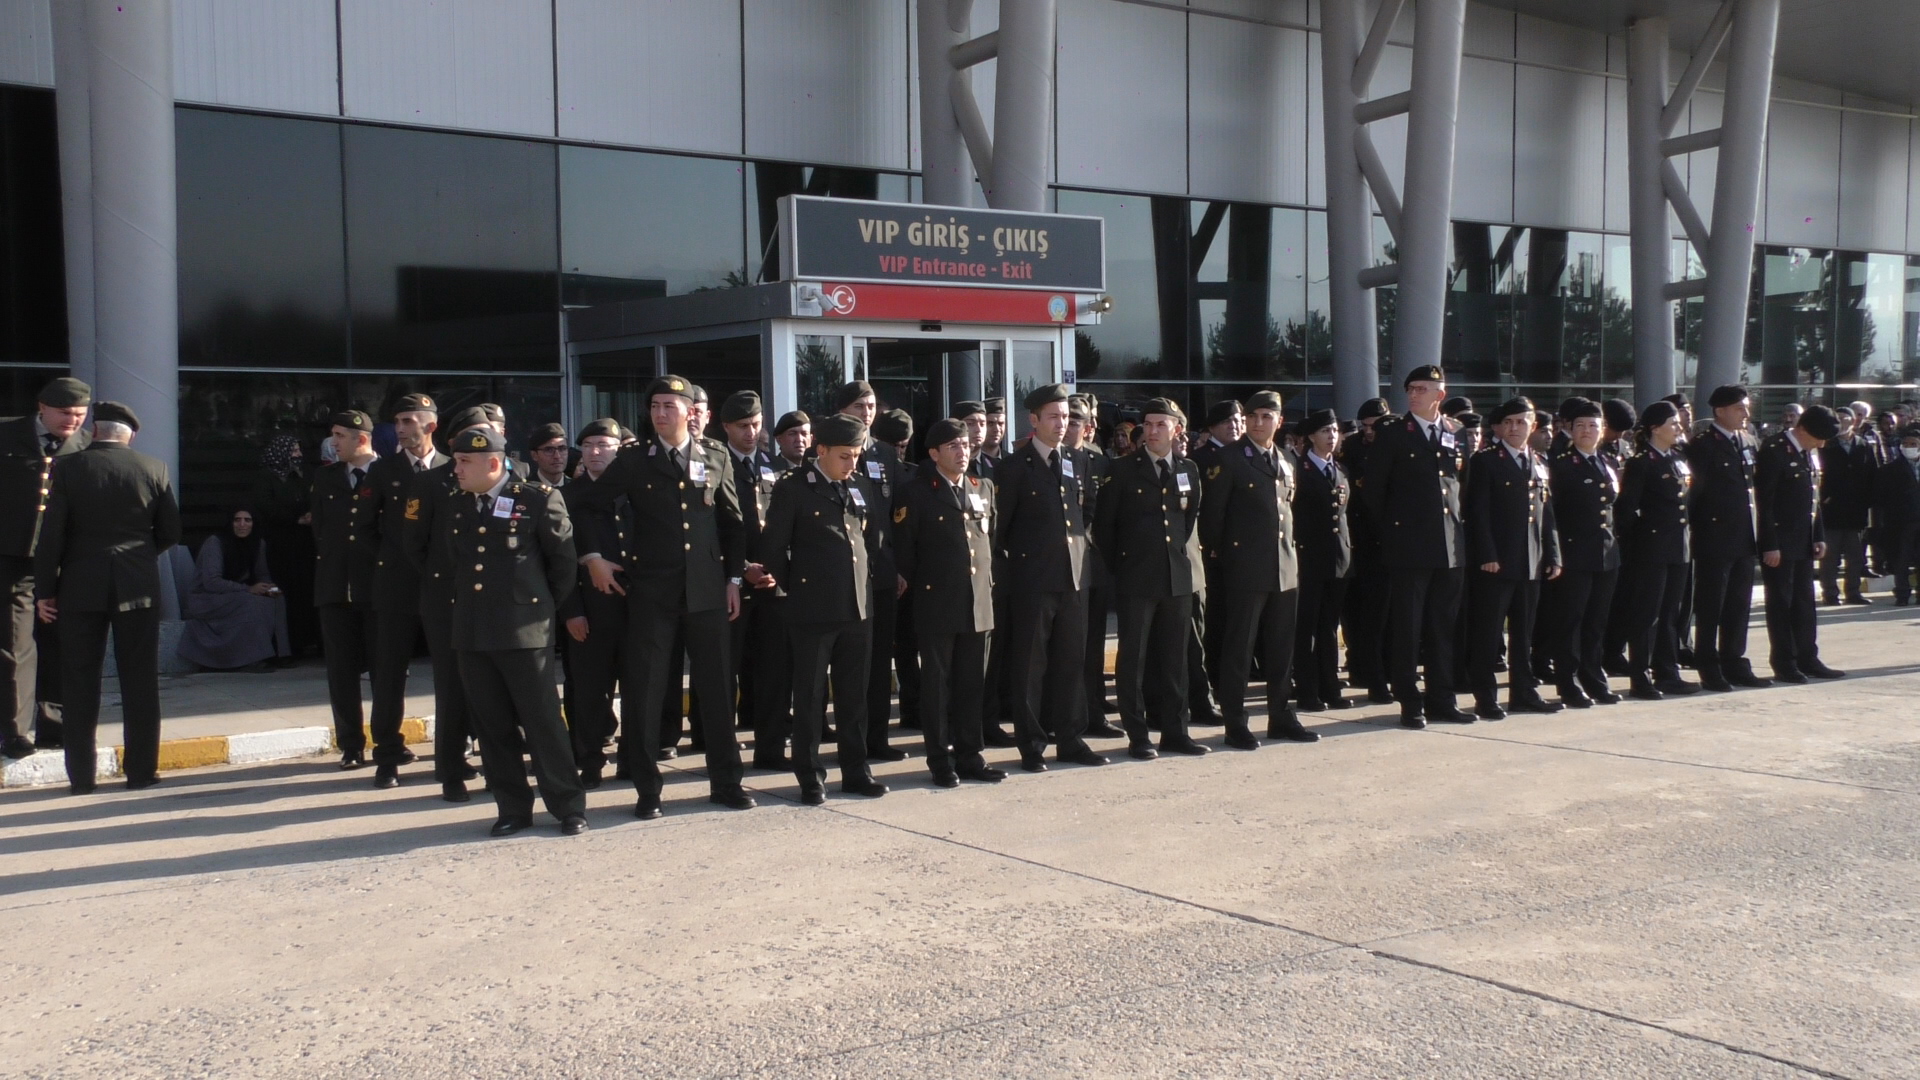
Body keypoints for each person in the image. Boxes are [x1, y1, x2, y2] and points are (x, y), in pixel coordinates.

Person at [575, 375, 755, 818]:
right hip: (652, 591)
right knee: (648, 690)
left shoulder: (714, 456)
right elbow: (588, 505)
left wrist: (733, 580)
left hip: (708, 591)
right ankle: (647, 790)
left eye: (669, 406)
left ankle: (726, 783)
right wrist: (595, 556)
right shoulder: (636, 460)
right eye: (655, 405)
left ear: (691, 411)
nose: (660, 413)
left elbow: (733, 523)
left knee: (715, 690)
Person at [441, 426, 587, 837]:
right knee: (492, 726)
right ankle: (513, 808)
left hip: (524, 633)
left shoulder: (536, 500)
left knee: (543, 723)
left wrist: (538, 613)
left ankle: (568, 805)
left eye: (464, 462)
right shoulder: (459, 505)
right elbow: (456, 564)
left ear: (493, 463)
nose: (457, 469)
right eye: (455, 461)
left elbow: (563, 564)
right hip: (472, 632)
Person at [33, 402, 180, 793]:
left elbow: (51, 536)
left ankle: (82, 777)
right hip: (138, 586)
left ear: (94, 432)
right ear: (129, 435)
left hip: (80, 587)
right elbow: (170, 530)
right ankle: (142, 772)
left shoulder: (68, 468)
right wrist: (140, 556)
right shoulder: (154, 469)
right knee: (140, 679)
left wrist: (45, 590)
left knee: (80, 681)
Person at [755, 413, 890, 803]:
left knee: (853, 697)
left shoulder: (860, 485)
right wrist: (798, 590)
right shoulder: (794, 488)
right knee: (811, 698)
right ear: (822, 451)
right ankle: (811, 776)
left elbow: (872, 540)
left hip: (857, 608)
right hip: (812, 610)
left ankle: (855, 771)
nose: (853, 463)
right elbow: (773, 549)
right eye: (845, 456)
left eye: (857, 455)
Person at [1200, 390, 1322, 748]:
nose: (1257, 422)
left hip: (1284, 566)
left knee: (1282, 648)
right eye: (1252, 416)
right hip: (1244, 568)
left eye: (1266, 416)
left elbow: (1288, 514)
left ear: (1279, 421)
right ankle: (1236, 722)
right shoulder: (1229, 459)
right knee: (1239, 648)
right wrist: (1224, 564)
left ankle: (1281, 716)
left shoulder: (1286, 459)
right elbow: (1213, 521)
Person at [996, 383, 1107, 772]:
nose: (1062, 424)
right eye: (1054, 417)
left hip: (1075, 576)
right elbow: (1001, 527)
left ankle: (1072, 739)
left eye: (1066, 417)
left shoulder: (1077, 461)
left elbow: (1085, 512)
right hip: (1033, 578)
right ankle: (1032, 744)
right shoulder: (1013, 467)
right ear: (1033, 421)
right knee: (1031, 665)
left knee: (1071, 661)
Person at [893, 418, 1004, 786]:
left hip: (978, 603)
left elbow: (990, 541)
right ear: (934, 453)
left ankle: (971, 755)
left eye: (965, 445)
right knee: (937, 688)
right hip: (937, 602)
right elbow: (905, 552)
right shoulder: (917, 492)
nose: (963, 451)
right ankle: (940, 758)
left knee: (972, 685)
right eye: (953, 446)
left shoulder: (982, 486)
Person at [1098, 398, 1209, 759]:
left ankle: (1176, 731)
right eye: (1148, 424)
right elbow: (1106, 528)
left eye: (1161, 424)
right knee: (1134, 660)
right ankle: (1138, 735)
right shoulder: (1122, 470)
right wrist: (1127, 566)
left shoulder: (1188, 469)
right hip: (1137, 577)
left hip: (1177, 577)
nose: (1153, 431)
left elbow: (1188, 521)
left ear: (1178, 429)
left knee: (1176, 659)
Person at [1362, 365, 1473, 728]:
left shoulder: (1456, 433)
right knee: (1408, 629)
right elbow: (1375, 491)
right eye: (1410, 388)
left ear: (1440, 394)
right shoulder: (1394, 433)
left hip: (1449, 547)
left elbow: (1461, 488)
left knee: (1443, 628)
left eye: (1422, 389)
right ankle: (1410, 702)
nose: (1413, 394)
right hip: (1409, 545)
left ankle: (1443, 698)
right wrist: (1394, 533)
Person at [401, 405, 494, 803]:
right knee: (453, 686)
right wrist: (448, 580)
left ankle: (498, 766)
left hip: (495, 599)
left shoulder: (512, 477)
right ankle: (452, 770)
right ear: (453, 441)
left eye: (487, 433)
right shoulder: (431, 483)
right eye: (473, 434)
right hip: (446, 600)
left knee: (495, 688)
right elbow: (413, 545)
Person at [0, 376, 91, 758]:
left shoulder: (87, 446)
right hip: (11, 555)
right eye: (65, 413)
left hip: (61, 560)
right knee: (14, 643)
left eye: (79, 415)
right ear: (43, 407)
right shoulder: (8, 435)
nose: (72, 421)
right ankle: (15, 730)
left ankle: (56, 726)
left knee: (60, 641)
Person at [1464, 397, 1563, 719]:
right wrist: (1487, 554)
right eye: (1509, 422)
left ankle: (1524, 692)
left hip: (1530, 560)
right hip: (1498, 561)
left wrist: (1553, 554)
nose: (1515, 427)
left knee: (1524, 633)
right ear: (1500, 427)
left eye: (1521, 422)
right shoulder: (1485, 461)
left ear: (1532, 426)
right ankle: (1485, 696)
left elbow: (1546, 513)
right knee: (1489, 633)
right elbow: (1477, 513)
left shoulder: (1537, 462)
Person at [361, 393, 441, 788]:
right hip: (395, 588)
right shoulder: (382, 471)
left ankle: (452, 749)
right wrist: (391, 561)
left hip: (441, 587)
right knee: (390, 673)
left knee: (451, 671)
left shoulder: (450, 467)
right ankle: (388, 755)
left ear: (430, 425)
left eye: (410, 420)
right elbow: (364, 529)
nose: (402, 428)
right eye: (398, 422)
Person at [559, 418, 631, 788]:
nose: (595, 452)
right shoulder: (567, 497)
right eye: (587, 446)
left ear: (619, 450)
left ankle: (632, 758)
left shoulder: (636, 490)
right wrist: (572, 610)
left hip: (636, 610)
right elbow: (558, 562)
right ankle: (589, 760)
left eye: (603, 445)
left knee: (638, 688)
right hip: (589, 609)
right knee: (588, 691)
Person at [311, 410, 382, 769]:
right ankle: (351, 744)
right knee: (341, 671)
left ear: (361, 439)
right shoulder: (325, 478)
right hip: (335, 586)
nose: (333, 442)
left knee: (385, 670)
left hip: (377, 588)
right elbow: (320, 530)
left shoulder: (387, 475)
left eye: (340, 436)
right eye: (333, 435)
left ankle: (387, 741)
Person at [1755, 405, 1846, 683]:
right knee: (1781, 603)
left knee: (1805, 603)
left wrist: (1818, 534)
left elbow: (1813, 497)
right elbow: (1764, 502)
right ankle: (1785, 662)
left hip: (1803, 540)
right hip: (1780, 542)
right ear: (1803, 429)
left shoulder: (1808, 452)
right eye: (1818, 437)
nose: (1821, 443)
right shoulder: (1774, 450)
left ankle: (1808, 656)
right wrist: (1770, 543)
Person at [1686, 386, 1768, 691]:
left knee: (1738, 605)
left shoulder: (1747, 441)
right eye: (1738, 408)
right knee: (1711, 606)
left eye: (1746, 408)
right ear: (1720, 411)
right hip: (1714, 538)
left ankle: (1735, 661)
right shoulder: (1704, 445)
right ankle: (1709, 666)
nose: (1745, 414)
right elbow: (1694, 494)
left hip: (1744, 537)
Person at [1617, 401, 1698, 700]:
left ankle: (1668, 672)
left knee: (1670, 614)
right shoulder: (1642, 462)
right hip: (1651, 548)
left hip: (1678, 546)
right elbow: (1627, 510)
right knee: (1646, 614)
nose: (1679, 427)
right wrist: (1642, 541)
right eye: (1672, 423)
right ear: (1654, 428)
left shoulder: (1677, 458)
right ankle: (1641, 676)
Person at [1546, 399, 1623, 708]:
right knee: (1571, 621)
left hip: (1606, 552)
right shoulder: (1562, 465)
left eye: (1593, 425)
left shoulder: (1608, 461)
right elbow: (1554, 513)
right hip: (1575, 552)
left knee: (1596, 622)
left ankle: (1594, 678)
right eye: (1580, 426)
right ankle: (1569, 682)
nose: (1587, 431)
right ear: (1570, 430)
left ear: (1602, 430)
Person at [1291, 408, 1353, 713]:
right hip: (1308, 560)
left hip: (1336, 561)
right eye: (1326, 431)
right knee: (1308, 629)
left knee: (1329, 627)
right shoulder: (1298, 470)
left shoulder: (1339, 470)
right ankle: (1307, 690)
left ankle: (1331, 686)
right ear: (1311, 437)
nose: (1332, 437)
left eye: (1335, 431)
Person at [178, 508, 291, 672]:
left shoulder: (257, 543)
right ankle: (251, 658)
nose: (242, 524)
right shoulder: (215, 543)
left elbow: (262, 574)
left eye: (247, 520)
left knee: (277, 596)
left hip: (238, 593)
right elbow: (212, 582)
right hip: (207, 598)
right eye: (237, 520)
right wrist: (248, 589)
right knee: (251, 602)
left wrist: (268, 588)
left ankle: (281, 653)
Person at [1339, 397, 1394, 704]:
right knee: (1366, 615)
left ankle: (1390, 671)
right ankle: (1369, 673)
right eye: (1365, 427)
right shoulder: (1354, 449)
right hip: (1363, 542)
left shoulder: (1396, 446)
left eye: (1375, 426)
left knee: (1392, 616)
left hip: (1393, 542)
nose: (1369, 432)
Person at [252, 433, 319, 657]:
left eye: (299, 451)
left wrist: (310, 515)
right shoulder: (266, 477)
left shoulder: (302, 475)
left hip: (304, 544)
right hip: (280, 544)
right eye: (293, 451)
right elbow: (266, 506)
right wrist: (294, 519)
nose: (298, 456)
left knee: (305, 591)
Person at [1817, 407, 1875, 605]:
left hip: (1856, 510)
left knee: (1855, 556)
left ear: (1853, 421)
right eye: (1838, 419)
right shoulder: (1825, 445)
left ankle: (1853, 592)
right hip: (1832, 510)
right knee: (1830, 557)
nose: (1843, 422)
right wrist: (1824, 498)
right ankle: (1830, 594)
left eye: (1846, 418)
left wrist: (1868, 501)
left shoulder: (1863, 445)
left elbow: (1872, 475)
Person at [1874, 424, 1920, 605]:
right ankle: (1902, 593)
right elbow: (1882, 497)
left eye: (1914, 443)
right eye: (1906, 444)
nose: (1909, 447)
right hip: (1901, 522)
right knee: (1901, 559)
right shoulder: (1890, 469)